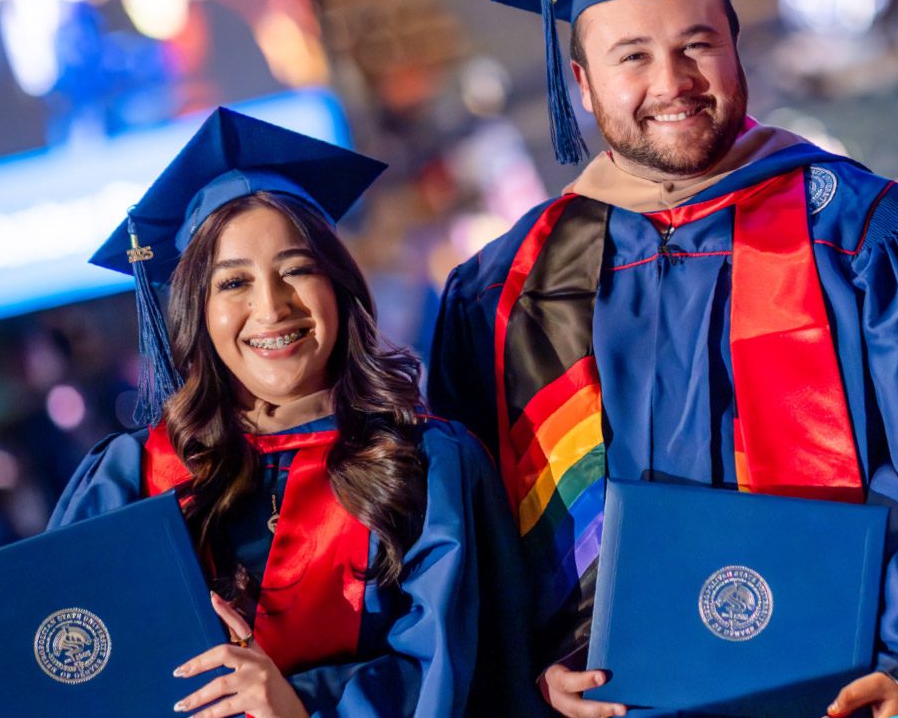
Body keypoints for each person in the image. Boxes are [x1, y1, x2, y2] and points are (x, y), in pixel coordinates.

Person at [428, 0, 898, 717]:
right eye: (632, 56)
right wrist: (532, 669)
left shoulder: (867, 236)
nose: (672, 80)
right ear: (583, 84)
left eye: (697, 44)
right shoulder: (506, 291)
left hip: (848, 692)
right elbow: (482, 531)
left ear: (738, 48)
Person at [52, 108, 540, 718]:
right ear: (195, 311)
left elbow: (473, 675)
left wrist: (300, 704)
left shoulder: (429, 466)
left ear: (339, 287)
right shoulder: (130, 477)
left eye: (297, 270)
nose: (272, 307)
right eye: (233, 283)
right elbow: (62, 668)